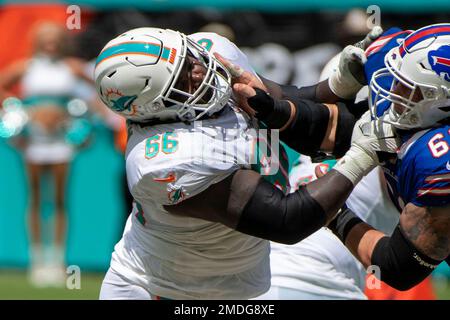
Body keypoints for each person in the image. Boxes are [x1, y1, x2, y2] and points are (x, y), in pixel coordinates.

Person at [94, 27, 396, 299]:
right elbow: (287, 220)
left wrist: (339, 83)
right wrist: (363, 152)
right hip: (158, 288)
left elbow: (280, 101)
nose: (200, 72)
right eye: (184, 79)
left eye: (190, 59)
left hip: (236, 284)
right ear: (155, 110)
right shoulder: (167, 160)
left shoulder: (211, 53)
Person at [226, 23, 450, 291]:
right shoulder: (396, 76)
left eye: (408, 89)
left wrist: (338, 216)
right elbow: (335, 126)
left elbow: (399, 268)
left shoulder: (439, 165)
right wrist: (272, 106)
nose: (393, 92)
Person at [0, 22, 93, 286]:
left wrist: (76, 112)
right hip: (34, 138)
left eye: (54, 39)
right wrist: (21, 111)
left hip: (62, 138)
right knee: (36, 196)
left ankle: (57, 260)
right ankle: (37, 260)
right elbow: (2, 87)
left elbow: (99, 91)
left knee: (60, 198)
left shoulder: (72, 67)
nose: (50, 44)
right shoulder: (26, 66)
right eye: (45, 39)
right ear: (38, 41)